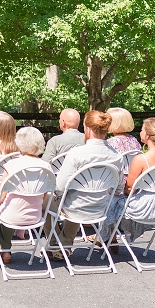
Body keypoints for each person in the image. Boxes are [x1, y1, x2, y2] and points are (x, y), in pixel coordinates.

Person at [43, 110, 123, 261]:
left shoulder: (76, 154)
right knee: (74, 198)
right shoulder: (116, 156)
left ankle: (55, 245)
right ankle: (63, 245)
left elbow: (60, 187)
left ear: (87, 128)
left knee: (45, 200)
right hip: (101, 207)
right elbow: (118, 189)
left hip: (75, 207)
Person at [98, 117, 155, 251]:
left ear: (147, 135)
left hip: (144, 208)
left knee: (110, 200)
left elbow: (128, 189)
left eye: (141, 129)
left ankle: (107, 236)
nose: (139, 132)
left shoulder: (141, 159)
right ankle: (109, 236)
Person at [0, 126, 52, 264]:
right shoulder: (46, 167)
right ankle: (6, 251)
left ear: (20, 143)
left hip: (11, 215)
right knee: (9, 205)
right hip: (35, 217)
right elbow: (44, 198)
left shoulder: (12, 165)